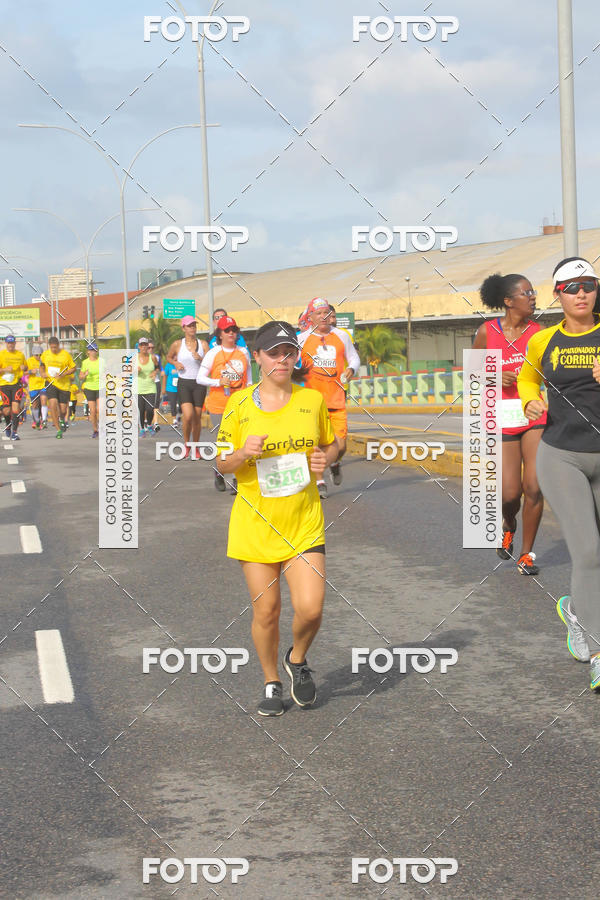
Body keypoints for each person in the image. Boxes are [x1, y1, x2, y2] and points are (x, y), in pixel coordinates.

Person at [217, 321, 337, 716]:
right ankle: (271, 681)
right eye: (274, 353)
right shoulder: (238, 405)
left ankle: (297, 660)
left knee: (311, 608)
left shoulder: (312, 400)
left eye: (288, 352)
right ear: (258, 357)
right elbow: (221, 462)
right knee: (266, 611)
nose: (282, 360)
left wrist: (327, 458)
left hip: (303, 520)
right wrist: (242, 455)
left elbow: (331, 445)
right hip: (256, 523)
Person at [518, 257, 600, 691]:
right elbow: (527, 380)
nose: (581, 292)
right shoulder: (543, 341)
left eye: (588, 284)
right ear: (558, 295)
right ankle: (598, 651)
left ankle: (577, 611)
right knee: (587, 551)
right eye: (571, 286)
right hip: (562, 455)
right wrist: (530, 400)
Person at [473, 273, 546, 575]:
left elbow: (550, 371)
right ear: (508, 301)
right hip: (500, 416)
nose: (533, 297)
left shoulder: (539, 332)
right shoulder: (486, 332)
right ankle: (508, 523)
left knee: (534, 487)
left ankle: (527, 554)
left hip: (533, 414)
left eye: (533, 292)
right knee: (509, 494)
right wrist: (492, 375)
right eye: (526, 292)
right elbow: (472, 374)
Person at [298, 297, 359, 497]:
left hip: (336, 400)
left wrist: (351, 369)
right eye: (318, 313)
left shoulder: (341, 335)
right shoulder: (301, 339)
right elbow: (289, 362)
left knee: (340, 446)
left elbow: (354, 357)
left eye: (326, 313)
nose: (323, 317)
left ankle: (335, 462)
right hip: (312, 403)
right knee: (316, 444)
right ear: (310, 317)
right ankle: (320, 481)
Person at [197, 315, 252, 491]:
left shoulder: (243, 352)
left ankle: (237, 477)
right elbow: (200, 378)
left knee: (240, 441)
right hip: (219, 405)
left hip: (240, 404)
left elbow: (249, 379)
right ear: (220, 334)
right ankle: (219, 472)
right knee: (225, 443)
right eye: (227, 330)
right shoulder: (213, 353)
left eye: (233, 330)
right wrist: (217, 382)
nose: (231, 333)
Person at [166, 315, 209, 459]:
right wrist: (175, 363)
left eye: (194, 325)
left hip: (199, 383)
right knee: (188, 415)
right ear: (183, 328)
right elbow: (169, 357)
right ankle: (186, 445)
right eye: (190, 326)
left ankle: (195, 448)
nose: (193, 328)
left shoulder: (203, 344)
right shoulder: (178, 344)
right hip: (184, 382)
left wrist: (200, 358)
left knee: (197, 417)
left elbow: (210, 363)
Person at [41, 336, 77, 439]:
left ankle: (61, 419)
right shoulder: (45, 354)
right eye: (51, 347)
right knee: (52, 404)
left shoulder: (65, 355)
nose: (53, 349)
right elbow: (41, 365)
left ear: (58, 345)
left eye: (55, 347)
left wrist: (63, 374)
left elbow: (73, 368)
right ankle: (58, 430)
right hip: (51, 383)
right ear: (49, 346)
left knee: (63, 410)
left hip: (64, 385)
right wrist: (42, 372)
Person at [0, 335, 27, 439]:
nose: (10, 345)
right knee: (6, 411)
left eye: (12, 343)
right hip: (4, 385)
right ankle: (8, 426)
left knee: (15, 408)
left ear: (15, 343)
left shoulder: (20, 355)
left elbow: (26, 367)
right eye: (8, 343)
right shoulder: (1, 354)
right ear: (6, 344)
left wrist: (24, 367)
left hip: (16, 384)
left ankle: (15, 433)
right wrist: (5, 370)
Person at [137, 336, 161, 435]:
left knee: (150, 409)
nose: (143, 347)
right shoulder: (134, 358)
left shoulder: (153, 357)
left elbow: (158, 368)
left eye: (145, 345)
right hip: (139, 388)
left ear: (147, 346)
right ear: (139, 347)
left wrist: (155, 372)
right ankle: (142, 428)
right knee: (141, 410)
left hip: (151, 387)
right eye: (142, 345)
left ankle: (149, 424)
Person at [80, 342, 101, 438]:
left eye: (95, 350)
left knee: (100, 409)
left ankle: (102, 427)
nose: (93, 352)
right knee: (92, 411)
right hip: (89, 387)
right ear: (88, 352)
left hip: (100, 387)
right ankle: (95, 430)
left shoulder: (101, 361)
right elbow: (80, 376)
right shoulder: (85, 362)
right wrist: (84, 375)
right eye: (91, 350)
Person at [26, 343, 48, 430]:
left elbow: (48, 371)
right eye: (36, 355)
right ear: (33, 354)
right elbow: (23, 372)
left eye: (40, 354)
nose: (38, 356)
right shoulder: (29, 361)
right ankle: (36, 420)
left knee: (43, 401)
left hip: (43, 385)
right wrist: (31, 372)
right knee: (35, 405)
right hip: (33, 386)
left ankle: (44, 420)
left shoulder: (44, 361)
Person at [147, 340, 162, 432]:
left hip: (156, 382)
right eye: (149, 347)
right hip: (145, 384)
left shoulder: (156, 357)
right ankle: (146, 421)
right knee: (147, 405)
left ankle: (156, 423)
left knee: (156, 403)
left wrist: (157, 372)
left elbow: (159, 367)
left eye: (152, 347)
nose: (151, 349)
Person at [162, 359, 181, 427]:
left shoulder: (181, 363)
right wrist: (163, 388)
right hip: (170, 388)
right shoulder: (169, 365)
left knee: (181, 404)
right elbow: (165, 376)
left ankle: (178, 416)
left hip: (181, 388)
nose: (175, 357)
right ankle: (174, 420)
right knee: (173, 403)